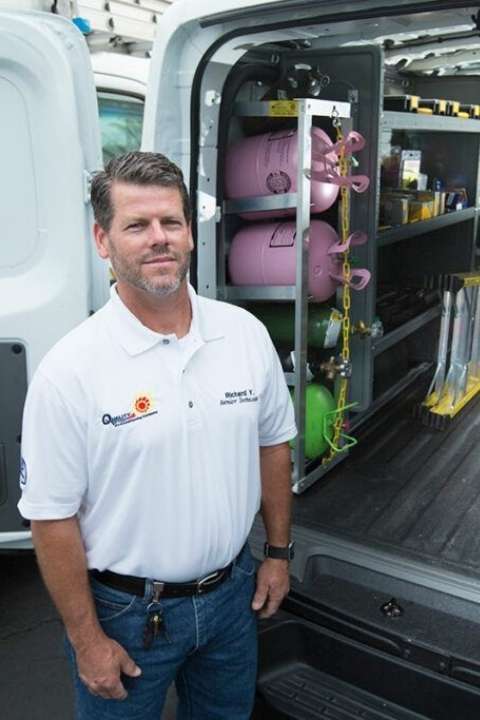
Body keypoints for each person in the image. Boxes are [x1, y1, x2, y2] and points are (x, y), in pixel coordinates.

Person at [18, 151, 297, 720]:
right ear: (103, 240)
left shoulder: (243, 335)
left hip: (231, 597)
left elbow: (273, 444)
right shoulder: (71, 370)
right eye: (137, 225)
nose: (159, 239)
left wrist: (277, 553)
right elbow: (50, 518)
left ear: (190, 232)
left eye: (171, 222)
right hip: (124, 614)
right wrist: (86, 640)